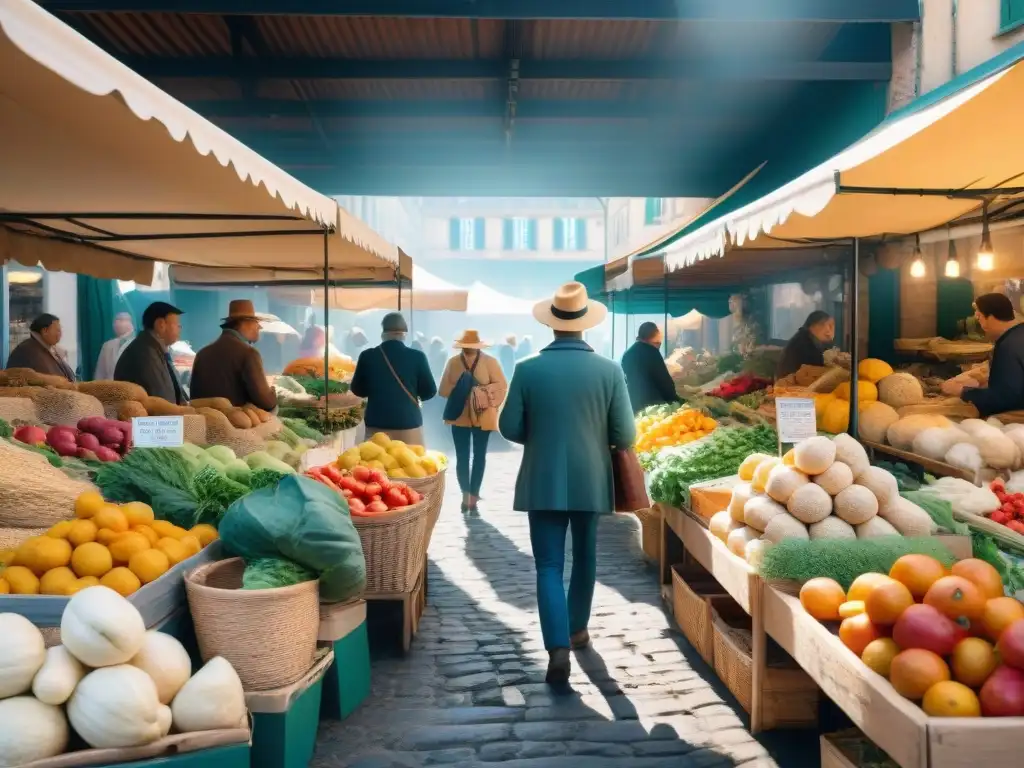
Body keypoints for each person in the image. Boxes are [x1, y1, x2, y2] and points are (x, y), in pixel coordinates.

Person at [499, 282, 635, 686]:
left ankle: (557, 648)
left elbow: (508, 427)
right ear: (585, 325)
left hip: (542, 477)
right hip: (592, 477)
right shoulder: (609, 370)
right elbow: (626, 435)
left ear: (552, 324)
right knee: (586, 558)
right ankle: (577, 630)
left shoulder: (527, 368)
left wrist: (539, 438)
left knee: (548, 564)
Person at [439, 330, 507, 515]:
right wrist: (481, 391)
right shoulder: (489, 362)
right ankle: (472, 496)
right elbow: (501, 387)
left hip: (465, 415)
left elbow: (444, 391)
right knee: (477, 457)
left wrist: (467, 390)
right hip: (476, 415)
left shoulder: (454, 362)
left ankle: (467, 495)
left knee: (464, 457)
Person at [349, 312, 437, 445]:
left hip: (376, 424)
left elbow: (357, 389)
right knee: (411, 464)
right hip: (409, 423)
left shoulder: (367, 356)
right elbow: (430, 391)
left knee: (376, 464)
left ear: (383, 334)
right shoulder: (418, 357)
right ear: (404, 335)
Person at [942, 293, 1024, 416]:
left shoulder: (1008, 346)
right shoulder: (1018, 334)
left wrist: (963, 392)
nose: (979, 323)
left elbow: (1006, 399)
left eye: (979, 317)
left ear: (990, 317)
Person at [189, 300, 277, 411]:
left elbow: (194, 398)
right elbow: (267, 402)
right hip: (236, 424)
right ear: (244, 323)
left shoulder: (202, 353)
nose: (259, 327)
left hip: (204, 421)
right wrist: (273, 391)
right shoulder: (249, 354)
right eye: (256, 322)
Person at [114, 302, 187, 404]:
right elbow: (164, 402)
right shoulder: (145, 354)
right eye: (177, 324)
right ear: (161, 324)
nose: (180, 328)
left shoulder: (153, 348)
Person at [620, 322, 677, 413]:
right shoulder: (652, 353)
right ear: (653, 336)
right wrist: (675, 401)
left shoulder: (627, 354)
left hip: (633, 404)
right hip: (653, 406)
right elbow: (664, 381)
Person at [6, 313, 76, 382]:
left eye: (60, 330)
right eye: (57, 330)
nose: (60, 334)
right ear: (45, 331)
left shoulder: (51, 349)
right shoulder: (27, 351)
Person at [776, 310, 835, 379]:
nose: (830, 331)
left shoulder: (804, 337)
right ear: (814, 326)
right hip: (791, 385)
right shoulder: (803, 343)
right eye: (829, 326)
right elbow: (817, 367)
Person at [94, 312, 135, 381]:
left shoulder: (138, 344)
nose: (117, 323)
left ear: (130, 324)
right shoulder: (107, 345)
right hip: (109, 387)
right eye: (116, 320)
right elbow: (100, 372)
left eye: (121, 320)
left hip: (129, 388)